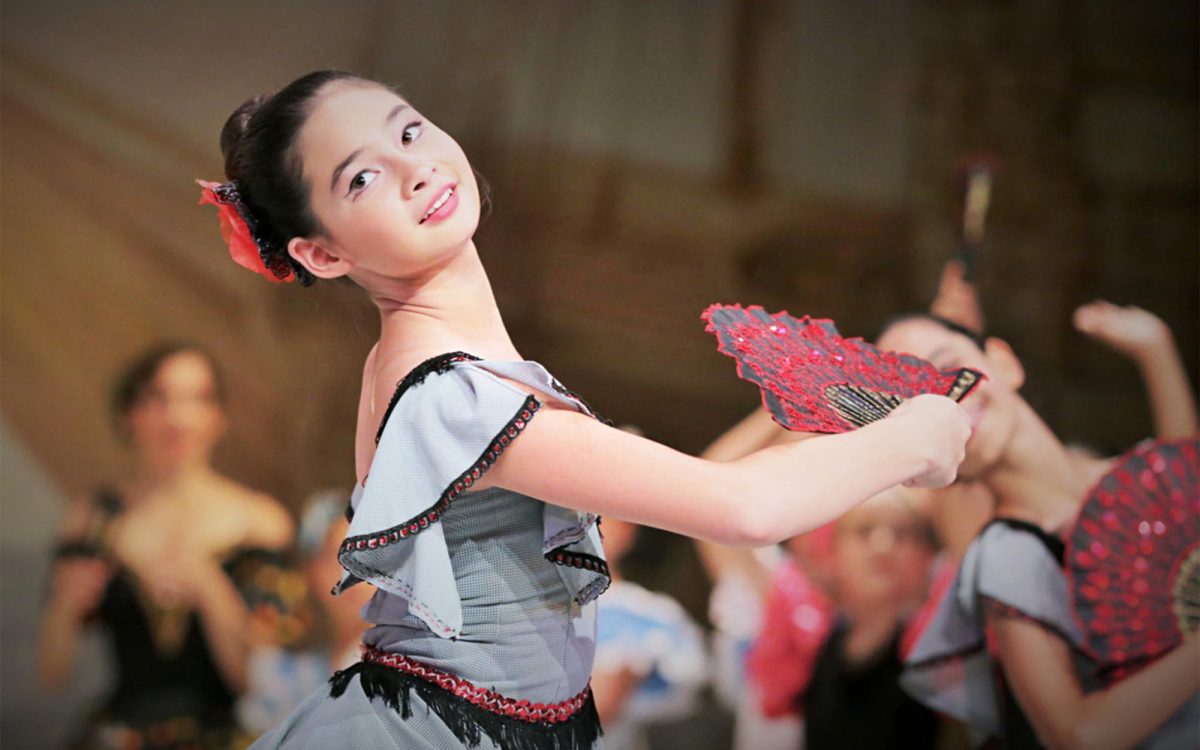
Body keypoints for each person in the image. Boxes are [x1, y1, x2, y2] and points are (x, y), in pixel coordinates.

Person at [200, 70, 970, 749]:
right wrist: (919, 438)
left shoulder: (436, 368)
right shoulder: (456, 395)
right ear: (323, 254)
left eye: (408, 129)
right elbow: (744, 506)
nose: (414, 167)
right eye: (361, 179)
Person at [878, 314, 1199, 750]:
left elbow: (1184, 507)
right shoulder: (1009, 555)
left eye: (951, 369)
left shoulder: (1129, 475)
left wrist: (1156, 348)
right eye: (917, 402)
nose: (949, 401)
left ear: (1003, 362)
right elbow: (1077, 736)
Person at [37, 342, 293, 749]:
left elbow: (264, 685)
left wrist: (209, 586)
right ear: (130, 414)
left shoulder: (258, 522)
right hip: (119, 733)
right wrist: (66, 605)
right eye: (159, 398)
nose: (177, 418)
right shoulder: (97, 519)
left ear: (218, 416)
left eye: (197, 399)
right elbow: (51, 672)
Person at [797, 487, 942, 750]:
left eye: (902, 533)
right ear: (832, 550)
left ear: (925, 553)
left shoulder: (942, 642)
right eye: (864, 530)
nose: (883, 545)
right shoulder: (812, 640)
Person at [590, 515, 709, 750]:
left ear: (626, 529)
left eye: (595, 519)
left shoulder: (641, 614)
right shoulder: (523, 608)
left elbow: (597, 710)